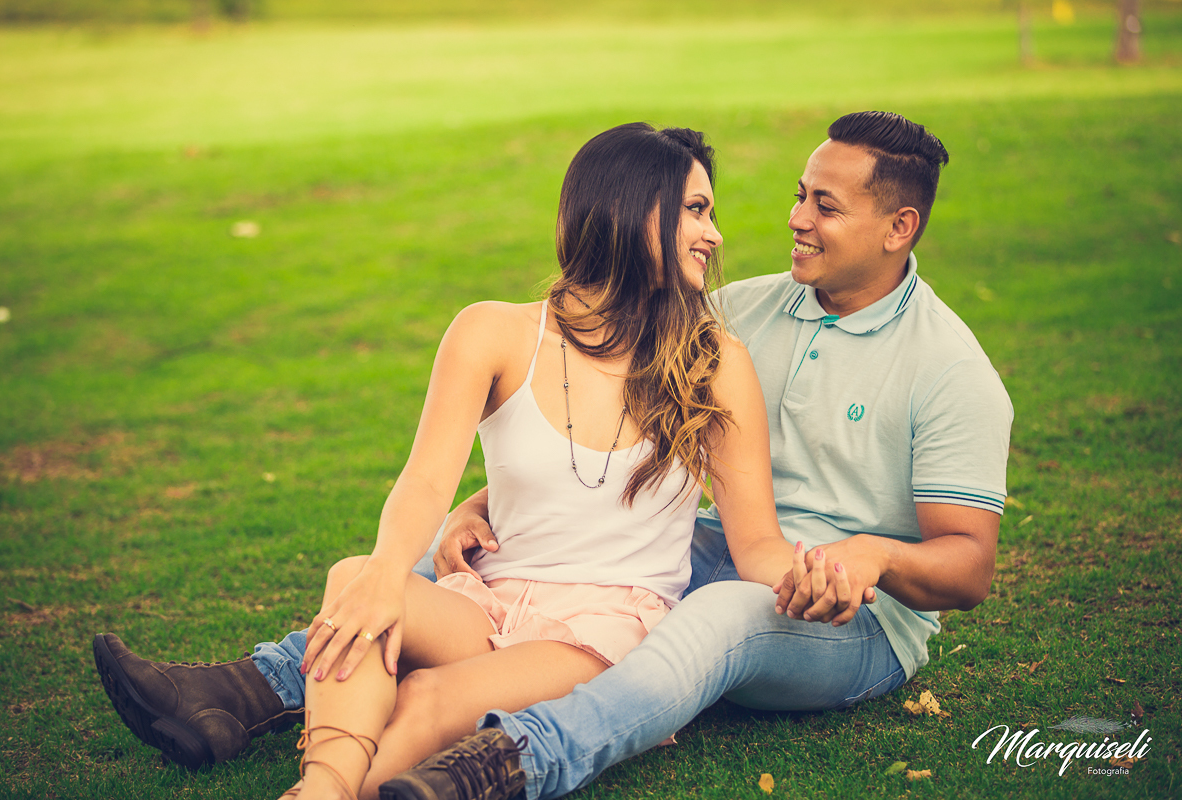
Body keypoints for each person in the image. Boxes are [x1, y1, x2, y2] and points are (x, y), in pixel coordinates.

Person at [93, 122, 866, 799]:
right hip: (490, 600)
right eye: (697, 210)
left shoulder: (711, 359)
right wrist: (388, 572)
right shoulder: (493, 333)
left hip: (602, 629)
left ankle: (320, 784)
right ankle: (321, 783)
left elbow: (755, 542)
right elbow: (427, 478)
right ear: (633, 211)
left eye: (710, 212)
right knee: (353, 580)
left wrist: (813, 578)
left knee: (428, 697)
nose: (715, 234)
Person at [368, 110, 1013, 800]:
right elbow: (609, 421)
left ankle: (515, 759)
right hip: (728, 544)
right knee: (445, 547)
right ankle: (279, 678)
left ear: (898, 227)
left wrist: (874, 556)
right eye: (800, 194)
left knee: (718, 618)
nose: (796, 218)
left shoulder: (949, 368)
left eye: (824, 206)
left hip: (851, 612)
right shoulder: (737, 310)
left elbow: (969, 568)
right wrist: (486, 501)